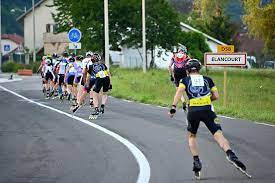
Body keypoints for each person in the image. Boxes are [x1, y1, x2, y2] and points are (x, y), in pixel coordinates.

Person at [168, 59, 247, 179]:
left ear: (187, 70)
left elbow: (179, 92)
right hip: (208, 110)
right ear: (199, 69)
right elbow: (216, 96)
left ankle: (196, 162)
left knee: (192, 136)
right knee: (218, 134)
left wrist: (173, 107)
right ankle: (230, 154)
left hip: (193, 110)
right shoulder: (208, 80)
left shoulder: (184, 80)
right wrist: (206, 100)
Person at [168, 46, 190, 110]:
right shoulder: (186, 56)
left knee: (178, 89)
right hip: (184, 73)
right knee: (186, 89)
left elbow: (169, 66)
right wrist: (188, 75)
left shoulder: (174, 56)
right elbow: (189, 66)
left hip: (176, 73)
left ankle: (183, 102)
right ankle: (189, 102)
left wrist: (171, 75)